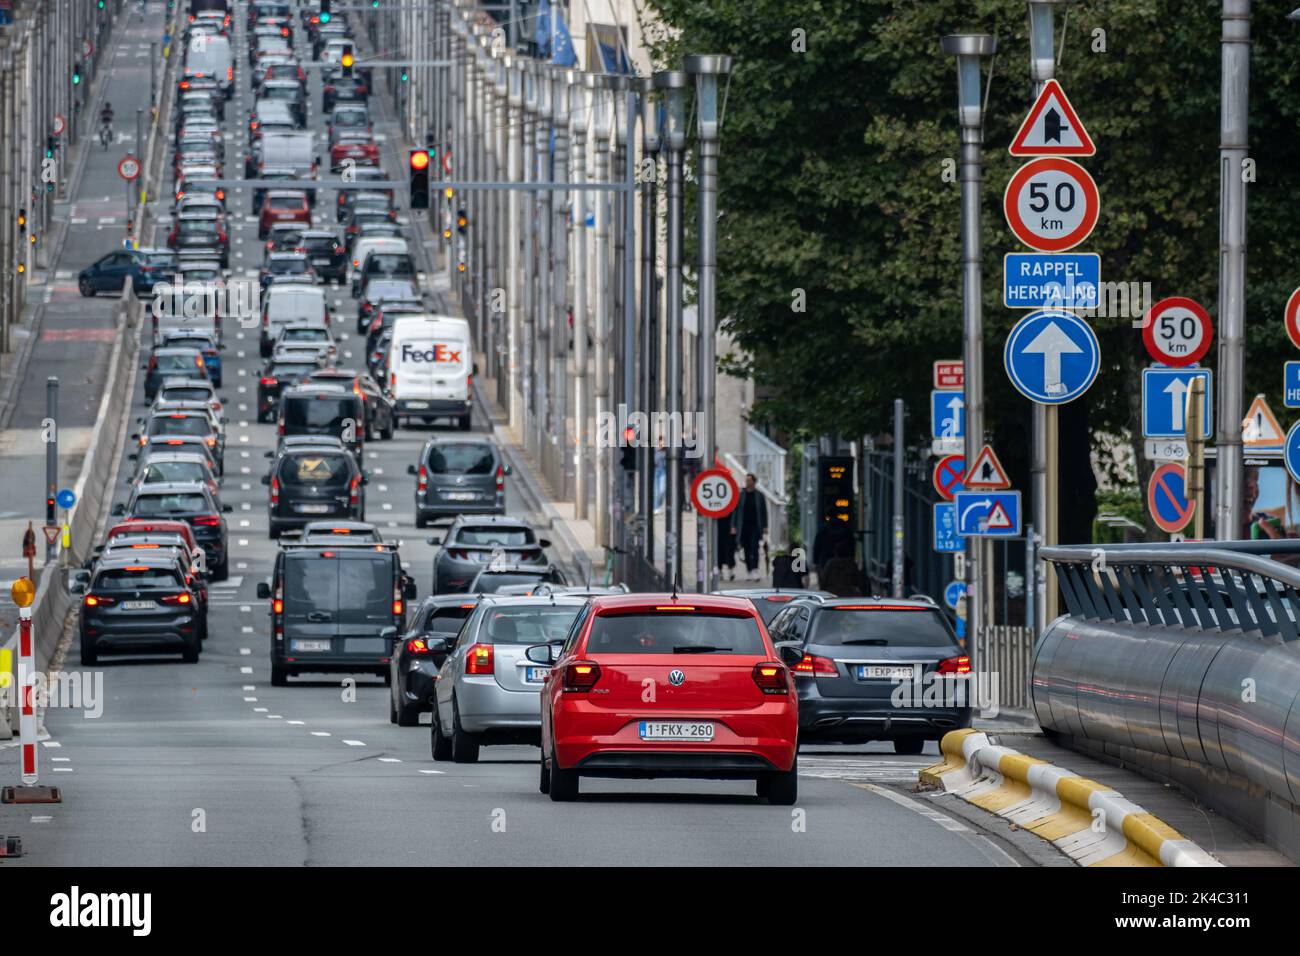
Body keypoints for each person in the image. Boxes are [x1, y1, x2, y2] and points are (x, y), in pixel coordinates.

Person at [733, 473, 768, 581]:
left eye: (749, 480)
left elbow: (764, 512)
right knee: (747, 549)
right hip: (743, 527)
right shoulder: (741, 495)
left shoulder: (759, 495)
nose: (747, 482)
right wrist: (733, 526)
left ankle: (755, 570)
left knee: (755, 548)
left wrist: (765, 526)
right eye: (746, 480)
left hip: (755, 527)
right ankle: (749, 570)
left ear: (754, 482)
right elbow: (736, 511)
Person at [717, 505, 737, 581]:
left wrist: (734, 525)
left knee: (730, 549)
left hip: (729, 525)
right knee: (719, 549)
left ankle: (730, 571)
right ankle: (719, 570)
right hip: (718, 524)